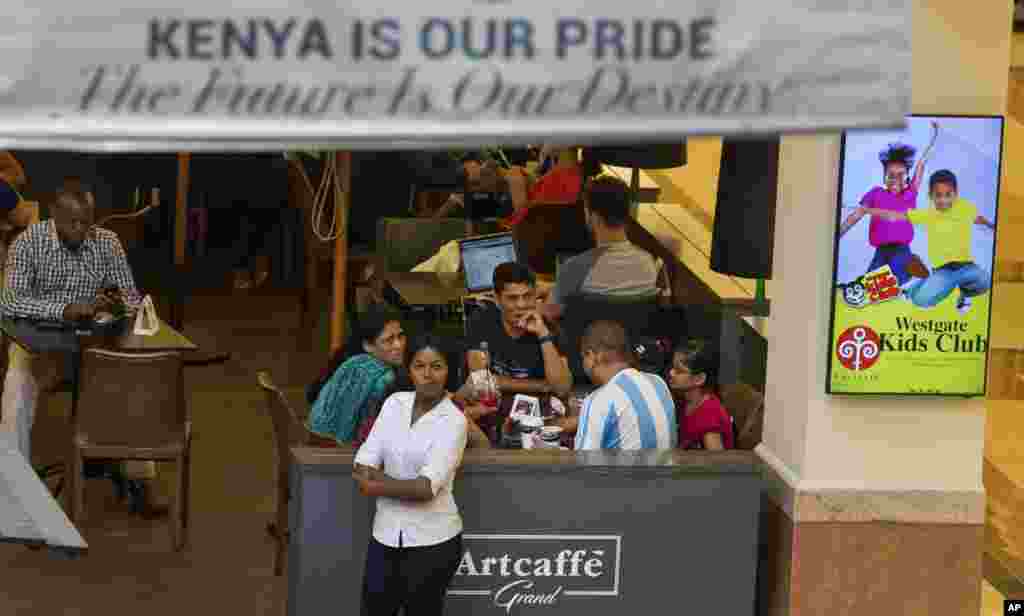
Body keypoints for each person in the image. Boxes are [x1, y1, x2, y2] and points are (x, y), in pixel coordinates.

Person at [0, 180, 141, 461]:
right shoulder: (28, 243)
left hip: (92, 347)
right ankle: (16, 483)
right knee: (17, 385)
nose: (81, 230)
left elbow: (132, 299)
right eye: (72, 222)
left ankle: (138, 474)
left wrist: (117, 303)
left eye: (86, 222)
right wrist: (63, 310)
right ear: (54, 213)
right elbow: (9, 302)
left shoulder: (107, 241)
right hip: (38, 348)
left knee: (139, 379)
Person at [353, 333, 468, 616]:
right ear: (409, 370)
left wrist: (377, 485)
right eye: (419, 366)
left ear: (449, 370)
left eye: (437, 366)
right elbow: (362, 463)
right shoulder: (394, 403)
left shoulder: (454, 421)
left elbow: (425, 488)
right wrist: (396, 485)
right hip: (385, 535)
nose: (427, 375)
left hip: (434, 543)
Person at [856, 169, 995, 315]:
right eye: (938, 196)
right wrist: (869, 210)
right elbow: (895, 215)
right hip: (943, 271)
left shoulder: (965, 207)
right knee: (921, 301)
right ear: (931, 196)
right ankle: (915, 288)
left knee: (984, 281)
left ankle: (964, 294)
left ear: (956, 193)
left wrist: (991, 225)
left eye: (948, 195)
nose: (943, 200)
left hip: (966, 267)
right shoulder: (927, 215)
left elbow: (977, 218)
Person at [463, 262, 572, 437]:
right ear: (497, 300)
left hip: (539, 413)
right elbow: (481, 380)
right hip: (494, 409)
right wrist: (542, 385)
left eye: (527, 296)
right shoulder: (481, 321)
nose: (521, 305)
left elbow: (562, 388)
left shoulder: (549, 327)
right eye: (512, 298)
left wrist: (542, 334)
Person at [542, 175, 660, 321]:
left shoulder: (574, 269)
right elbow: (615, 286)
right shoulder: (648, 263)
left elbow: (550, 312)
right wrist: (556, 286)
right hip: (631, 342)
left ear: (595, 217)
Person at [838, 122, 939, 286]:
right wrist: (839, 233)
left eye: (900, 175)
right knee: (868, 283)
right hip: (881, 250)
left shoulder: (910, 193)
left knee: (894, 278)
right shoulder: (875, 193)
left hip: (902, 250)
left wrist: (934, 137)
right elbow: (857, 214)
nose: (895, 180)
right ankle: (860, 287)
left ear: (907, 177)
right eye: (891, 175)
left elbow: (921, 164)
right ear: (884, 176)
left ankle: (910, 268)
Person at [306, 308, 408, 445]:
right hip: (345, 454)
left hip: (317, 441)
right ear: (368, 346)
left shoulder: (352, 362)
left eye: (400, 336)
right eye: (389, 340)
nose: (399, 345)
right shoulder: (385, 379)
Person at [573, 321, 676, 451]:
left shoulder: (598, 400)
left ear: (592, 356)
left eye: (583, 357)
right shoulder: (659, 383)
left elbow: (582, 465)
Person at [667, 339, 734, 451]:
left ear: (699, 379)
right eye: (673, 367)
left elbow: (716, 463)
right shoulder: (686, 399)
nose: (671, 373)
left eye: (679, 371)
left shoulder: (709, 417)